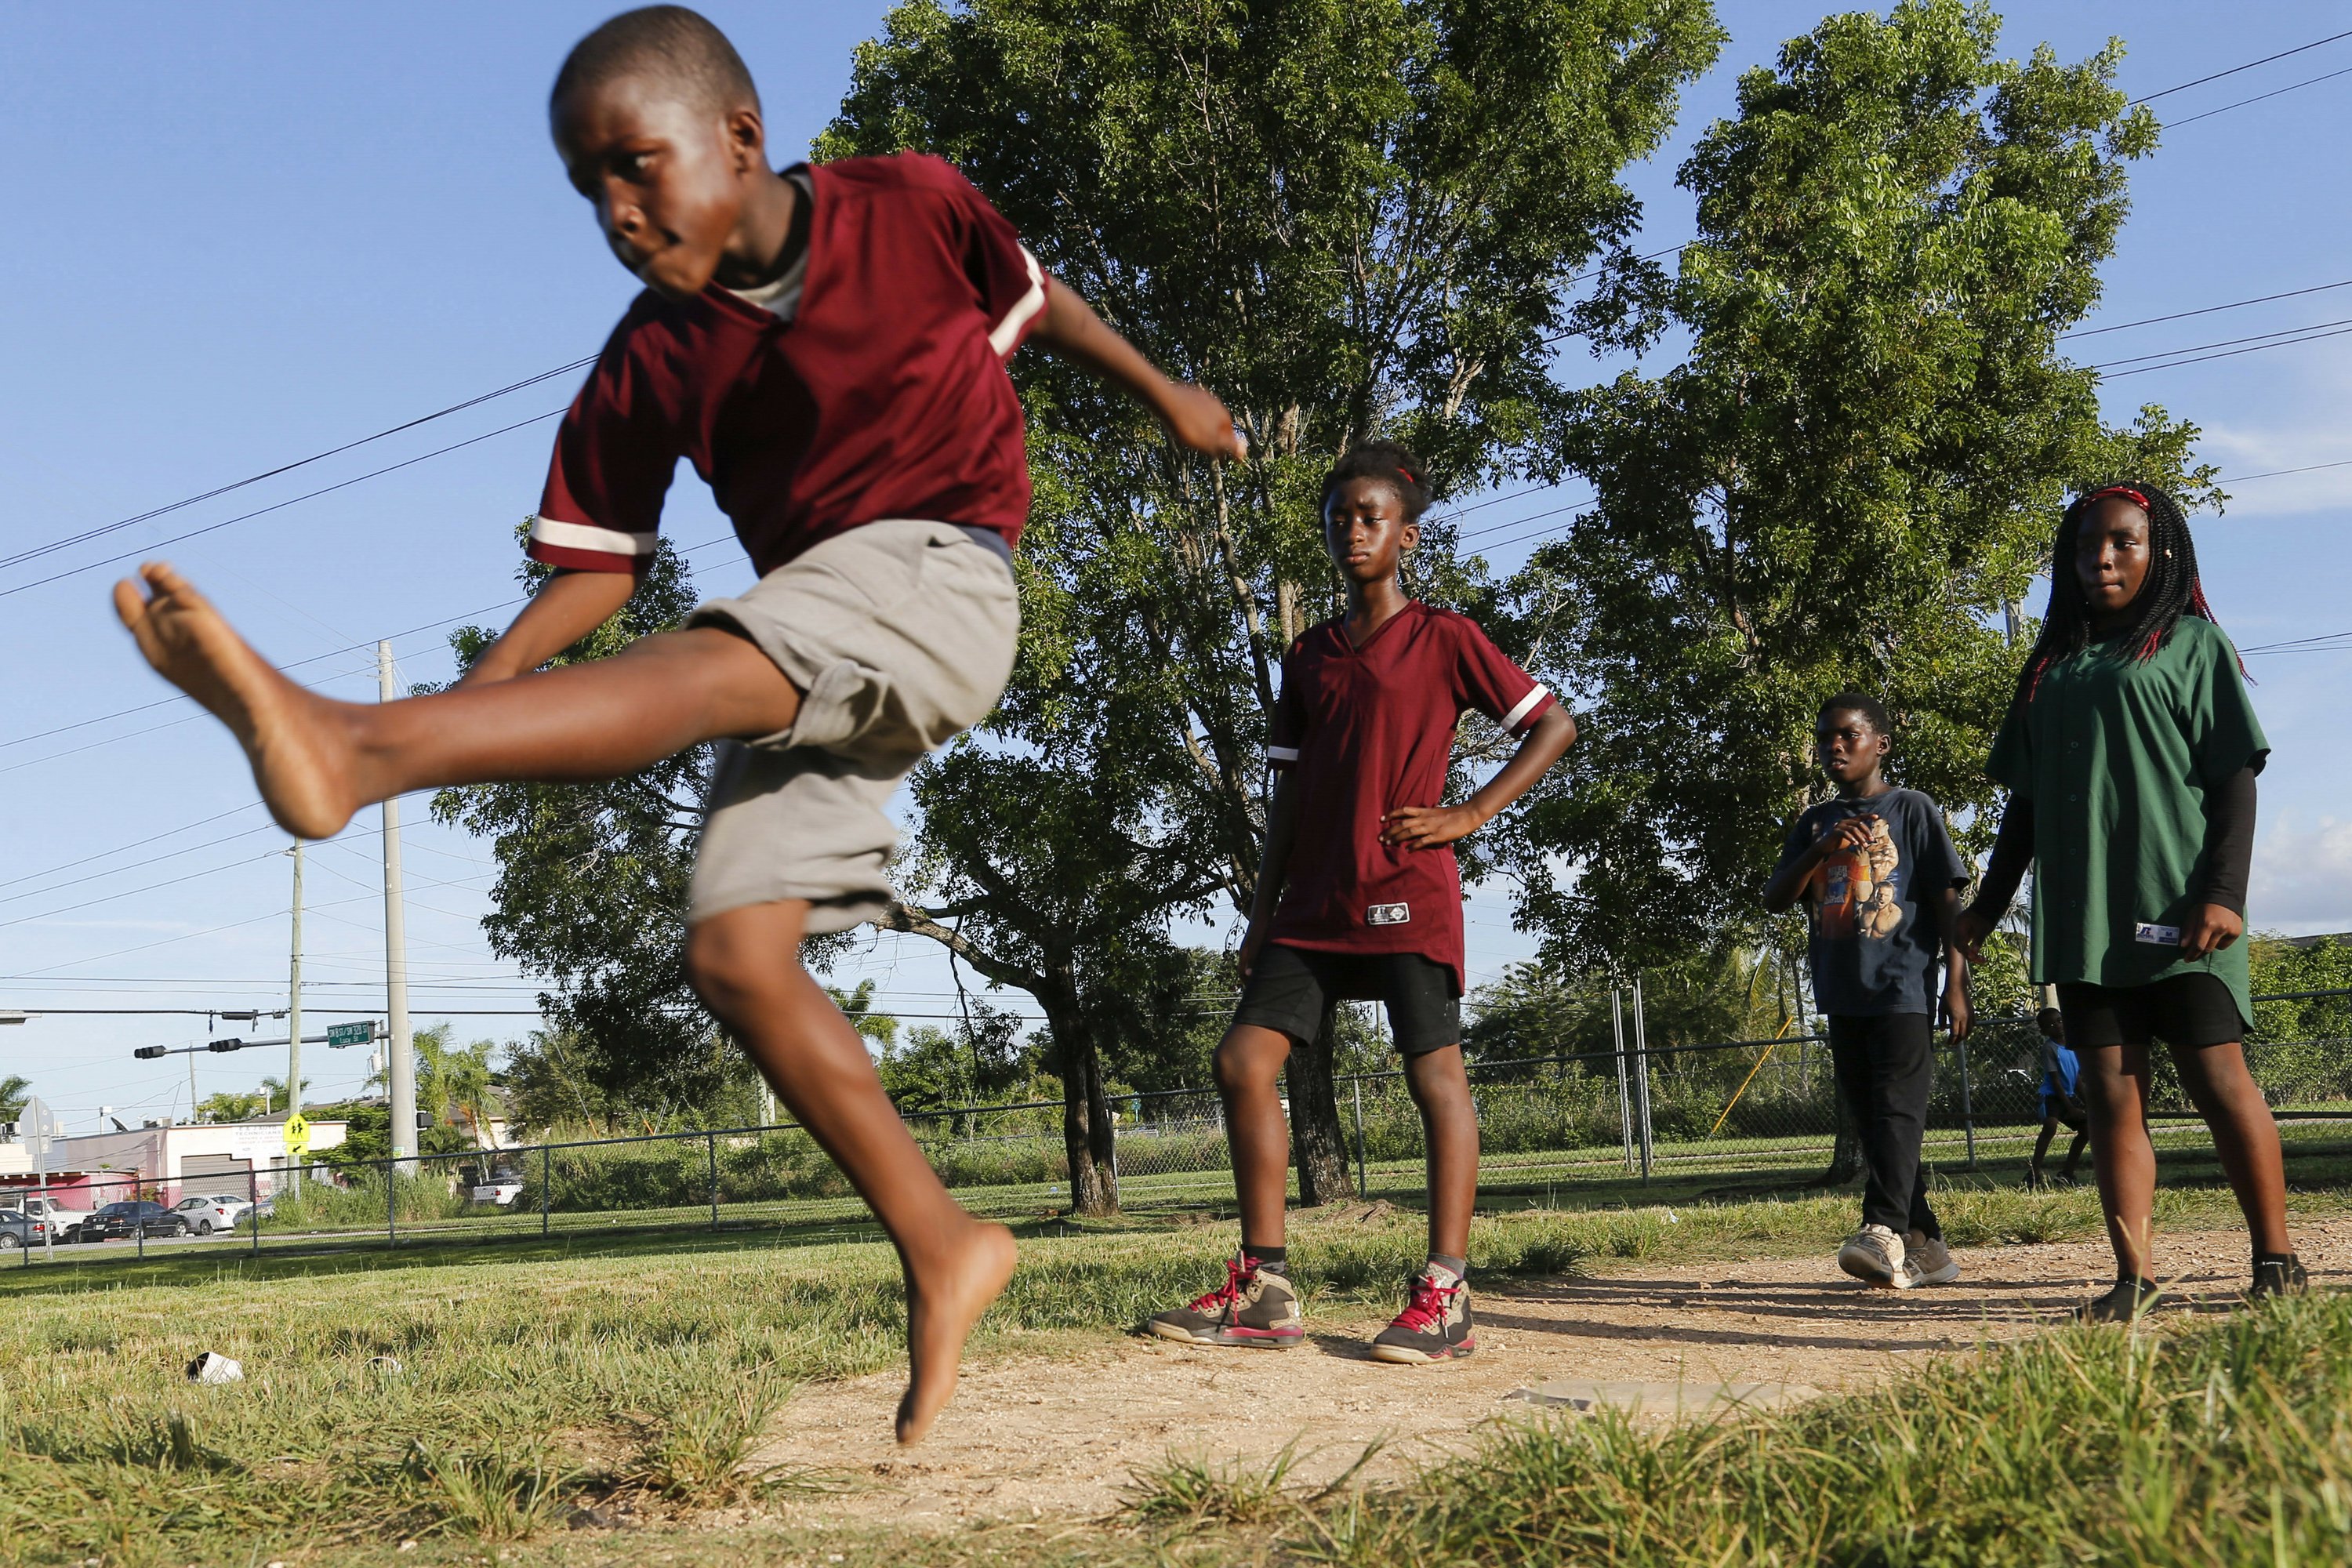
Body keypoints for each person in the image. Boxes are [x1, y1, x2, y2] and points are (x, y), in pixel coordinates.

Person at [110, 5, 1243, 1443]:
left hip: (950, 573)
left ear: (741, 140)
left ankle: (364, 745)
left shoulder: (912, 202)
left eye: (638, 167)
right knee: (735, 943)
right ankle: (947, 1241)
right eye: (590, 189)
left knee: (718, 662)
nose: (619, 212)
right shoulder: (651, 356)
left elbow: (1044, 302)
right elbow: (593, 571)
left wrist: (1169, 398)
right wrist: (483, 700)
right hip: (825, 643)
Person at [1144, 443, 1575, 1363]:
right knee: (1240, 1061)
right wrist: (1262, 911)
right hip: (1311, 904)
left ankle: (1447, 1291)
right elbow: (1290, 799)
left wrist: (1469, 810)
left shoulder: (1447, 637)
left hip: (1405, 895)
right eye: (1340, 514)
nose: (1352, 529)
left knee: (1434, 1080)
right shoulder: (1307, 656)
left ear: (1407, 536)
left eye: (1371, 515)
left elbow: (1554, 723)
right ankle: (1264, 1288)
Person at [1956, 482, 2304, 1322]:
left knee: (2220, 1079)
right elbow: (2026, 813)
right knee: (2112, 1091)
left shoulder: (2191, 646)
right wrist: (1981, 912)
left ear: (2163, 553)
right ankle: (2133, 1275)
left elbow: (2234, 782)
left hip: (2185, 913)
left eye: (2122, 543)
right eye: (2085, 548)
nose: (2102, 559)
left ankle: (2277, 1258)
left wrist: (2222, 893)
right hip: (2085, 923)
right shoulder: (2050, 670)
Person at [1764, 694, 1971, 1290]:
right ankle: (1924, 1242)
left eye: (1848, 736)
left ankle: (1882, 1229)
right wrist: (1822, 848)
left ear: (1879, 744)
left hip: (1903, 985)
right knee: (1871, 1121)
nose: (1834, 746)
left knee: (1897, 1111)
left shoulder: (1912, 808)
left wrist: (1956, 984)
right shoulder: (1815, 822)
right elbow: (1777, 897)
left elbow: (1946, 900)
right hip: (1840, 989)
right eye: (1826, 737)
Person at [2027, 984, 2090, 1190]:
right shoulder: (2050, 1049)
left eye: (2060, 1021)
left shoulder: (2073, 1046)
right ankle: (2034, 1171)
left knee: (2088, 1131)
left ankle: (2067, 1173)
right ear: (2044, 1031)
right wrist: (2070, 1108)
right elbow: (2055, 1080)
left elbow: (2077, 1079)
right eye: (2051, 1025)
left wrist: (2087, 1102)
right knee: (2050, 1126)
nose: (2058, 1026)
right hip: (2053, 1097)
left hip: (2069, 1096)